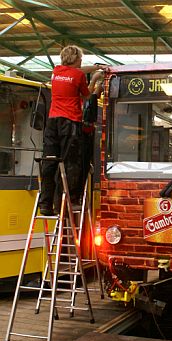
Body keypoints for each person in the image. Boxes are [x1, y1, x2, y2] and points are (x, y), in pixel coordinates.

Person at [39, 45, 107, 216]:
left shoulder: (56, 72)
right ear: (76, 59)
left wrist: (95, 67)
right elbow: (87, 95)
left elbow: (74, 72)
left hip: (52, 122)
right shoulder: (78, 76)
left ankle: (45, 204)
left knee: (50, 162)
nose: (81, 62)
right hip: (70, 123)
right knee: (72, 163)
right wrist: (95, 79)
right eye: (80, 59)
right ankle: (70, 202)